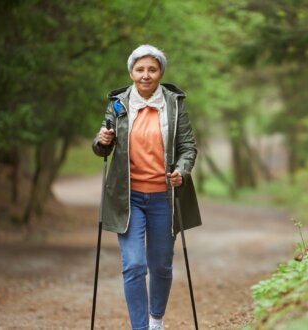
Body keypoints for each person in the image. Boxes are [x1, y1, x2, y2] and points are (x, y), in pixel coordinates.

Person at [92, 44, 202, 330]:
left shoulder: (174, 104)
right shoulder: (118, 104)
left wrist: (181, 170)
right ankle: (140, 328)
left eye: (152, 69)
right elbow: (102, 146)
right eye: (140, 69)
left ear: (160, 72)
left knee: (161, 265)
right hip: (128, 199)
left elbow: (188, 147)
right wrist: (103, 140)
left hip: (164, 198)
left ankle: (156, 320)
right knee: (134, 265)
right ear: (131, 72)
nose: (146, 75)